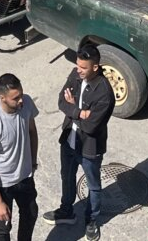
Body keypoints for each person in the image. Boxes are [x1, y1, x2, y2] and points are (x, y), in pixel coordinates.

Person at [45, 45, 114, 240]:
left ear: (95, 67)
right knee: (66, 176)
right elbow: (61, 101)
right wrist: (80, 112)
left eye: (83, 67)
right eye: (78, 65)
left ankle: (91, 220)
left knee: (93, 186)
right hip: (69, 139)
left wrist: (72, 107)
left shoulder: (104, 93)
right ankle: (66, 210)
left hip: (89, 147)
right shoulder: (75, 75)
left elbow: (91, 127)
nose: (78, 70)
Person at [0, 72, 39, 241]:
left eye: (21, 94)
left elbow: (32, 132)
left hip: (24, 176)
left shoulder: (26, 103)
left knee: (30, 213)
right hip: (3, 184)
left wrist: (33, 162)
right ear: (2, 98)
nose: (20, 100)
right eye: (15, 98)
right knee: (4, 226)